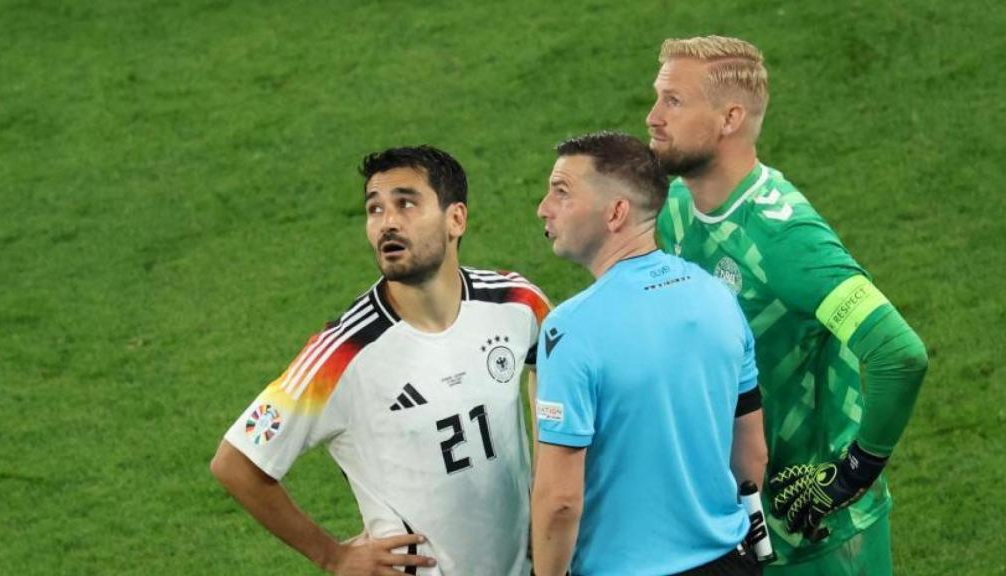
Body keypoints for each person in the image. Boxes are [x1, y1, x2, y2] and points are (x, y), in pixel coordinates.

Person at [647, 35, 929, 575]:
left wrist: (851, 473)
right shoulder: (677, 207)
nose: (653, 116)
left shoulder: (786, 239)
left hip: (817, 539)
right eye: (658, 97)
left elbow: (898, 353)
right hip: (735, 527)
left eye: (673, 101)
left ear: (730, 118)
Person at [210, 145, 550, 575]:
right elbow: (236, 462)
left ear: (456, 219)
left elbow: (552, 369)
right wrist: (332, 556)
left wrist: (547, 486)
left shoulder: (516, 301)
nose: (387, 222)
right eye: (375, 209)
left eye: (405, 203)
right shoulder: (343, 354)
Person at [531, 131, 767, 576]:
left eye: (562, 192)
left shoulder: (570, 329)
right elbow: (752, 454)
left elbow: (560, 501)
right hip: (730, 561)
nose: (544, 207)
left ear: (615, 213)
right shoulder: (717, 296)